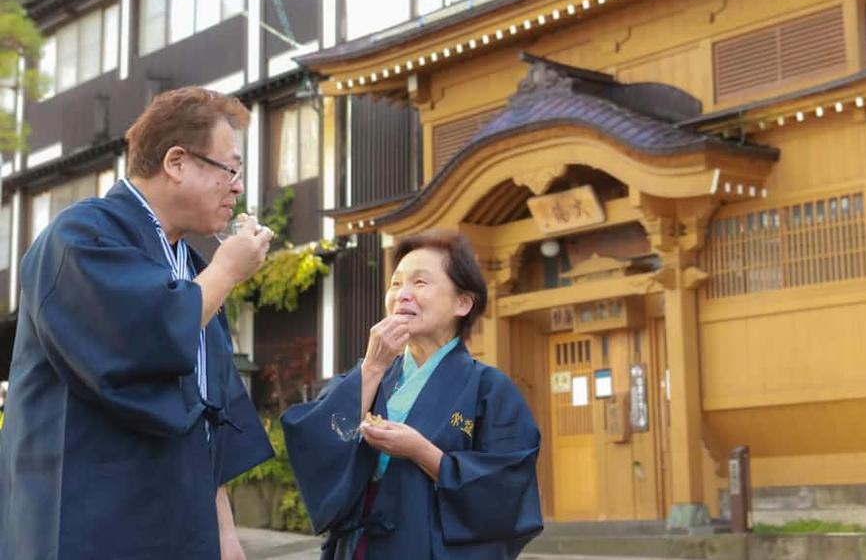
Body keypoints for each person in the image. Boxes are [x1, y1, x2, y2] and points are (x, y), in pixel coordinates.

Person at [0, 87, 274, 560]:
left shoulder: (190, 266)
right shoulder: (79, 237)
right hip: (91, 524)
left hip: (178, 523)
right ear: (176, 162)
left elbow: (207, 411)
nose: (238, 186)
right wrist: (227, 271)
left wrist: (225, 531)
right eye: (230, 169)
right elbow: (141, 343)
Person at [282, 230, 543, 559]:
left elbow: (507, 489)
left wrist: (424, 454)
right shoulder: (368, 375)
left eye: (420, 283)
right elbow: (314, 445)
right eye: (395, 284)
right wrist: (374, 366)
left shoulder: (490, 389)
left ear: (462, 302)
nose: (402, 295)